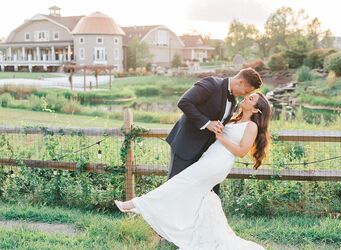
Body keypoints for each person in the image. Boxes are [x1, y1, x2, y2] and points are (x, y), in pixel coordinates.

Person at [115, 92, 272, 249]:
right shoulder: (235, 119)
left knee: (179, 182)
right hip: (209, 158)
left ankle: (134, 204)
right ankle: (205, 235)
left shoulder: (252, 126)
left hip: (218, 162)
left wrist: (221, 138)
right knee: (199, 196)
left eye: (251, 99)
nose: (246, 98)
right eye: (249, 96)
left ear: (256, 109)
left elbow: (242, 151)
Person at [166, 68, 263, 195]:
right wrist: (207, 123)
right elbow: (184, 102)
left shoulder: (234, 101)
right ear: (240, 82)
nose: (245, 95)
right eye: (246, 91)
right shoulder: (211, 84)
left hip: (208, 154)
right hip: (186, 145)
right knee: (175, 187)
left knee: (202, 193)